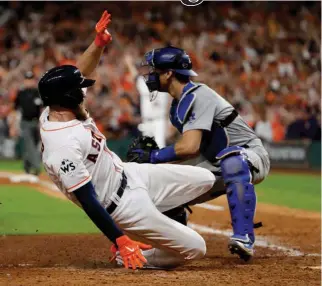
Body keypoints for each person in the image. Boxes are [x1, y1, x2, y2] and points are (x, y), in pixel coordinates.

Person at [38, 11, 215, 270]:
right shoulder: (62, 146)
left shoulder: (59, 107)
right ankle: (132, 253)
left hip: (132, 175)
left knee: (207, 179)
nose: (84, 91)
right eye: (80, 89)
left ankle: (160, 217)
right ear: (68, 98)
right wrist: (120, 239)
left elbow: (80, 71)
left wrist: (98, 43)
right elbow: (88, 201)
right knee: (196, 248)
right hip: (123, 207)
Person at [132, 46, 271, 261]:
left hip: (250, 156)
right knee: (166, 188)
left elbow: (189, 147)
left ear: (169, 73)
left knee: (232, 162)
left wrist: (153, 156)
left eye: (155, 71)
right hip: (216, 163)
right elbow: (189, 151)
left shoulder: (199, 95)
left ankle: (244, 239)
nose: (150, 76)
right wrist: (158, 165)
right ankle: (176, 246)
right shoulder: (177, 105)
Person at [14, 71, 43, 175]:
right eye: (27, 79)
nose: (28, 82)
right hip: (25, 122)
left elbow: (42, 109)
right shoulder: (21, 93)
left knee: (33, 145)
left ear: (33, 81)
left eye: (30, 79)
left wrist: (42, 122)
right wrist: (14, 124)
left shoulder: (37, 93)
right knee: (30, 144)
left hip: (36, 123)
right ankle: (36, 167)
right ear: (24, 81)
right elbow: (16, 108)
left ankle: (27, 166)